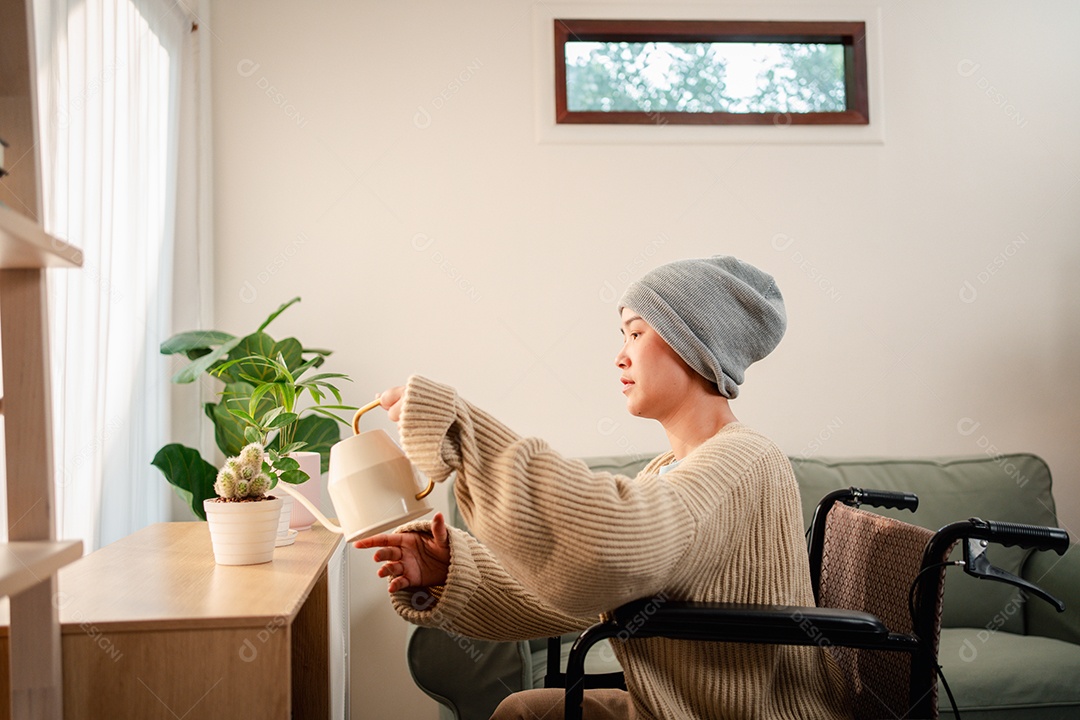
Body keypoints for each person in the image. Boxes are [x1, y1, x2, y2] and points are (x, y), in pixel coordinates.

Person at [355, 256, 851, 720]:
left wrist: (461, 429)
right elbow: (572, 596)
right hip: (665, 708)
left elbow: (616, 543)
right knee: (521, 712)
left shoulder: (745, 458)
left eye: (636, 333)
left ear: (695, 347)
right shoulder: (667, 470)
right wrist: (451, 571)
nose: (620, 357)